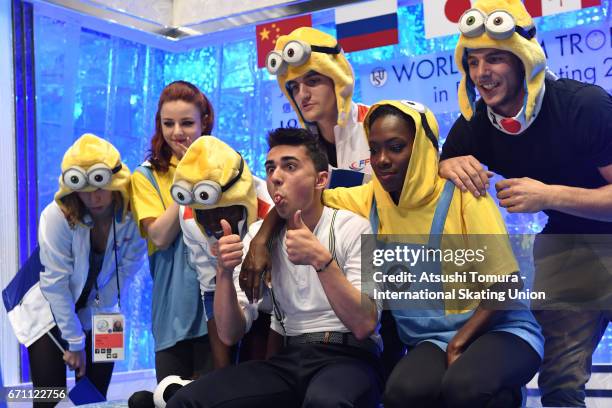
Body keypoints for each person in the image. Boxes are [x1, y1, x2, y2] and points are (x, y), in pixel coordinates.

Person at [438, 0, 612, 405]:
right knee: (559, 382)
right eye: (474, 61)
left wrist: (546, 195)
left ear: (524, 60)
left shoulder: (584, 105)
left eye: (495, 59)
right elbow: (439, 166)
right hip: (568, 245)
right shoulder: (476, 123)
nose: (482, 73)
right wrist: (446, 165)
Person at [323, 100, 543, 407]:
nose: (382, 159)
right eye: (374, 149)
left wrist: (459, 343)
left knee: (465, 388)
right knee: (401, 395)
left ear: (423, 149)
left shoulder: (465, 192)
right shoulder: (369, 197)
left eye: (396, 147)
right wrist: (264, 236)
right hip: (434, 340)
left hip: (502, 327)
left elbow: (505, 286)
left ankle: (506, 394)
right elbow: (304, 197)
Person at [167, 128, 383, 408]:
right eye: (270, 169)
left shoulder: (356, 228)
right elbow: (230, 333)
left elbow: (365, 324)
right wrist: (222, 272)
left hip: (351, 358)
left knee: (324, 402)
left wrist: (322, 261)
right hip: (290, 359)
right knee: (188, 400)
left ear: (321, 179)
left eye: (290, 166)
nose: (276, 177)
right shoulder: (257, 236)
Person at [7, 133, 146, 407]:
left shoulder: (135, 215)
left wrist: (97, 314)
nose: (93, 196)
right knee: (50, 396)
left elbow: (128, 269)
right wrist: (75, 342)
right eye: (83, 187)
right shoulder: (56, 216)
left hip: (101, 306)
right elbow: (55, 287)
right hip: (48, 308)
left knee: (94, 395)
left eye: (100, 185)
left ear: (115, 180)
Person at [130, 81, 214, 382]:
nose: (178, 132)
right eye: (169, 123)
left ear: (203, 122)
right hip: (172, 310)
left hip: (218, 305)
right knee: (170, 399)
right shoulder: (146, 176)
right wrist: (190, 179)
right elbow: (159, 236)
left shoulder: (221, 166)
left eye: (187, 122)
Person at [171, 135, 273, 367]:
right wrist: (221, 370)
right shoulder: (188, 217)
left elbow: (367, 318)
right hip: (235, 301)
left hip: (280, 314)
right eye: (204, 213)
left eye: (223, 212)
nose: (214, 223)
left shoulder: (272, 210)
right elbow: (209, 288)